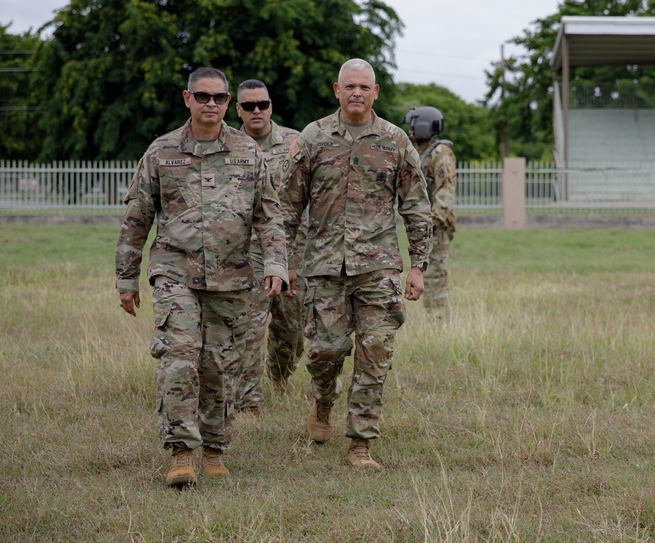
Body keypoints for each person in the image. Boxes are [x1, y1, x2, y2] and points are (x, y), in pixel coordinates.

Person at [116, 67, 288, 487]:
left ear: (229, 102)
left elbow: (269, 217)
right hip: (174, 270)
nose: (211, 103)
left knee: (217, 366)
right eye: (202, 96)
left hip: (231, 277)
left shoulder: (249, 152)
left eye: (219, 97)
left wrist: (276, 263)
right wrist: (126, 277)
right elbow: (138, 218)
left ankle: (214, 449)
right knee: (179, 357)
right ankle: (180, 453)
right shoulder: (161, 152)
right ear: (187, 98)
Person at [281, 58, 432, 469]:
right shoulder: (313, 138)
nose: (357, 94)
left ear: (376, 91)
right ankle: (323, 399)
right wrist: (286, 263)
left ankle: (361, 442)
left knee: (375, 351)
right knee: (326, 351)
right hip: (324, 267)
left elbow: (417, 207)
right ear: (336, 90)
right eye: (350, 86)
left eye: (364, 87)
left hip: (378, 266)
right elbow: (288, 207)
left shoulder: (395, 141)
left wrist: (418, 265)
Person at [232, 78, 307, 413]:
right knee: (249, 328)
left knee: (291, 330)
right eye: (249, 106)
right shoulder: (227, 144)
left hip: (292, 249)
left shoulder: (295, 143)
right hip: (245, 252)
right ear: (239, 110)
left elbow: (309, 197)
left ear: (271, 106)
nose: (256, 111)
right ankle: (249, 401)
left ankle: (279, 375)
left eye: (262, 104)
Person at [404, 106, 457, 320]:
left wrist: (432, 222)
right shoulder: (426, 153)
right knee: (430, 275)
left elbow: (446, 190)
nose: (410, 132)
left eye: (413, 127)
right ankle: (436, 319)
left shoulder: (440, 153)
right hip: (428, 226)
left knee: (435, 277)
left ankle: (440, 322)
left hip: (436, 226)